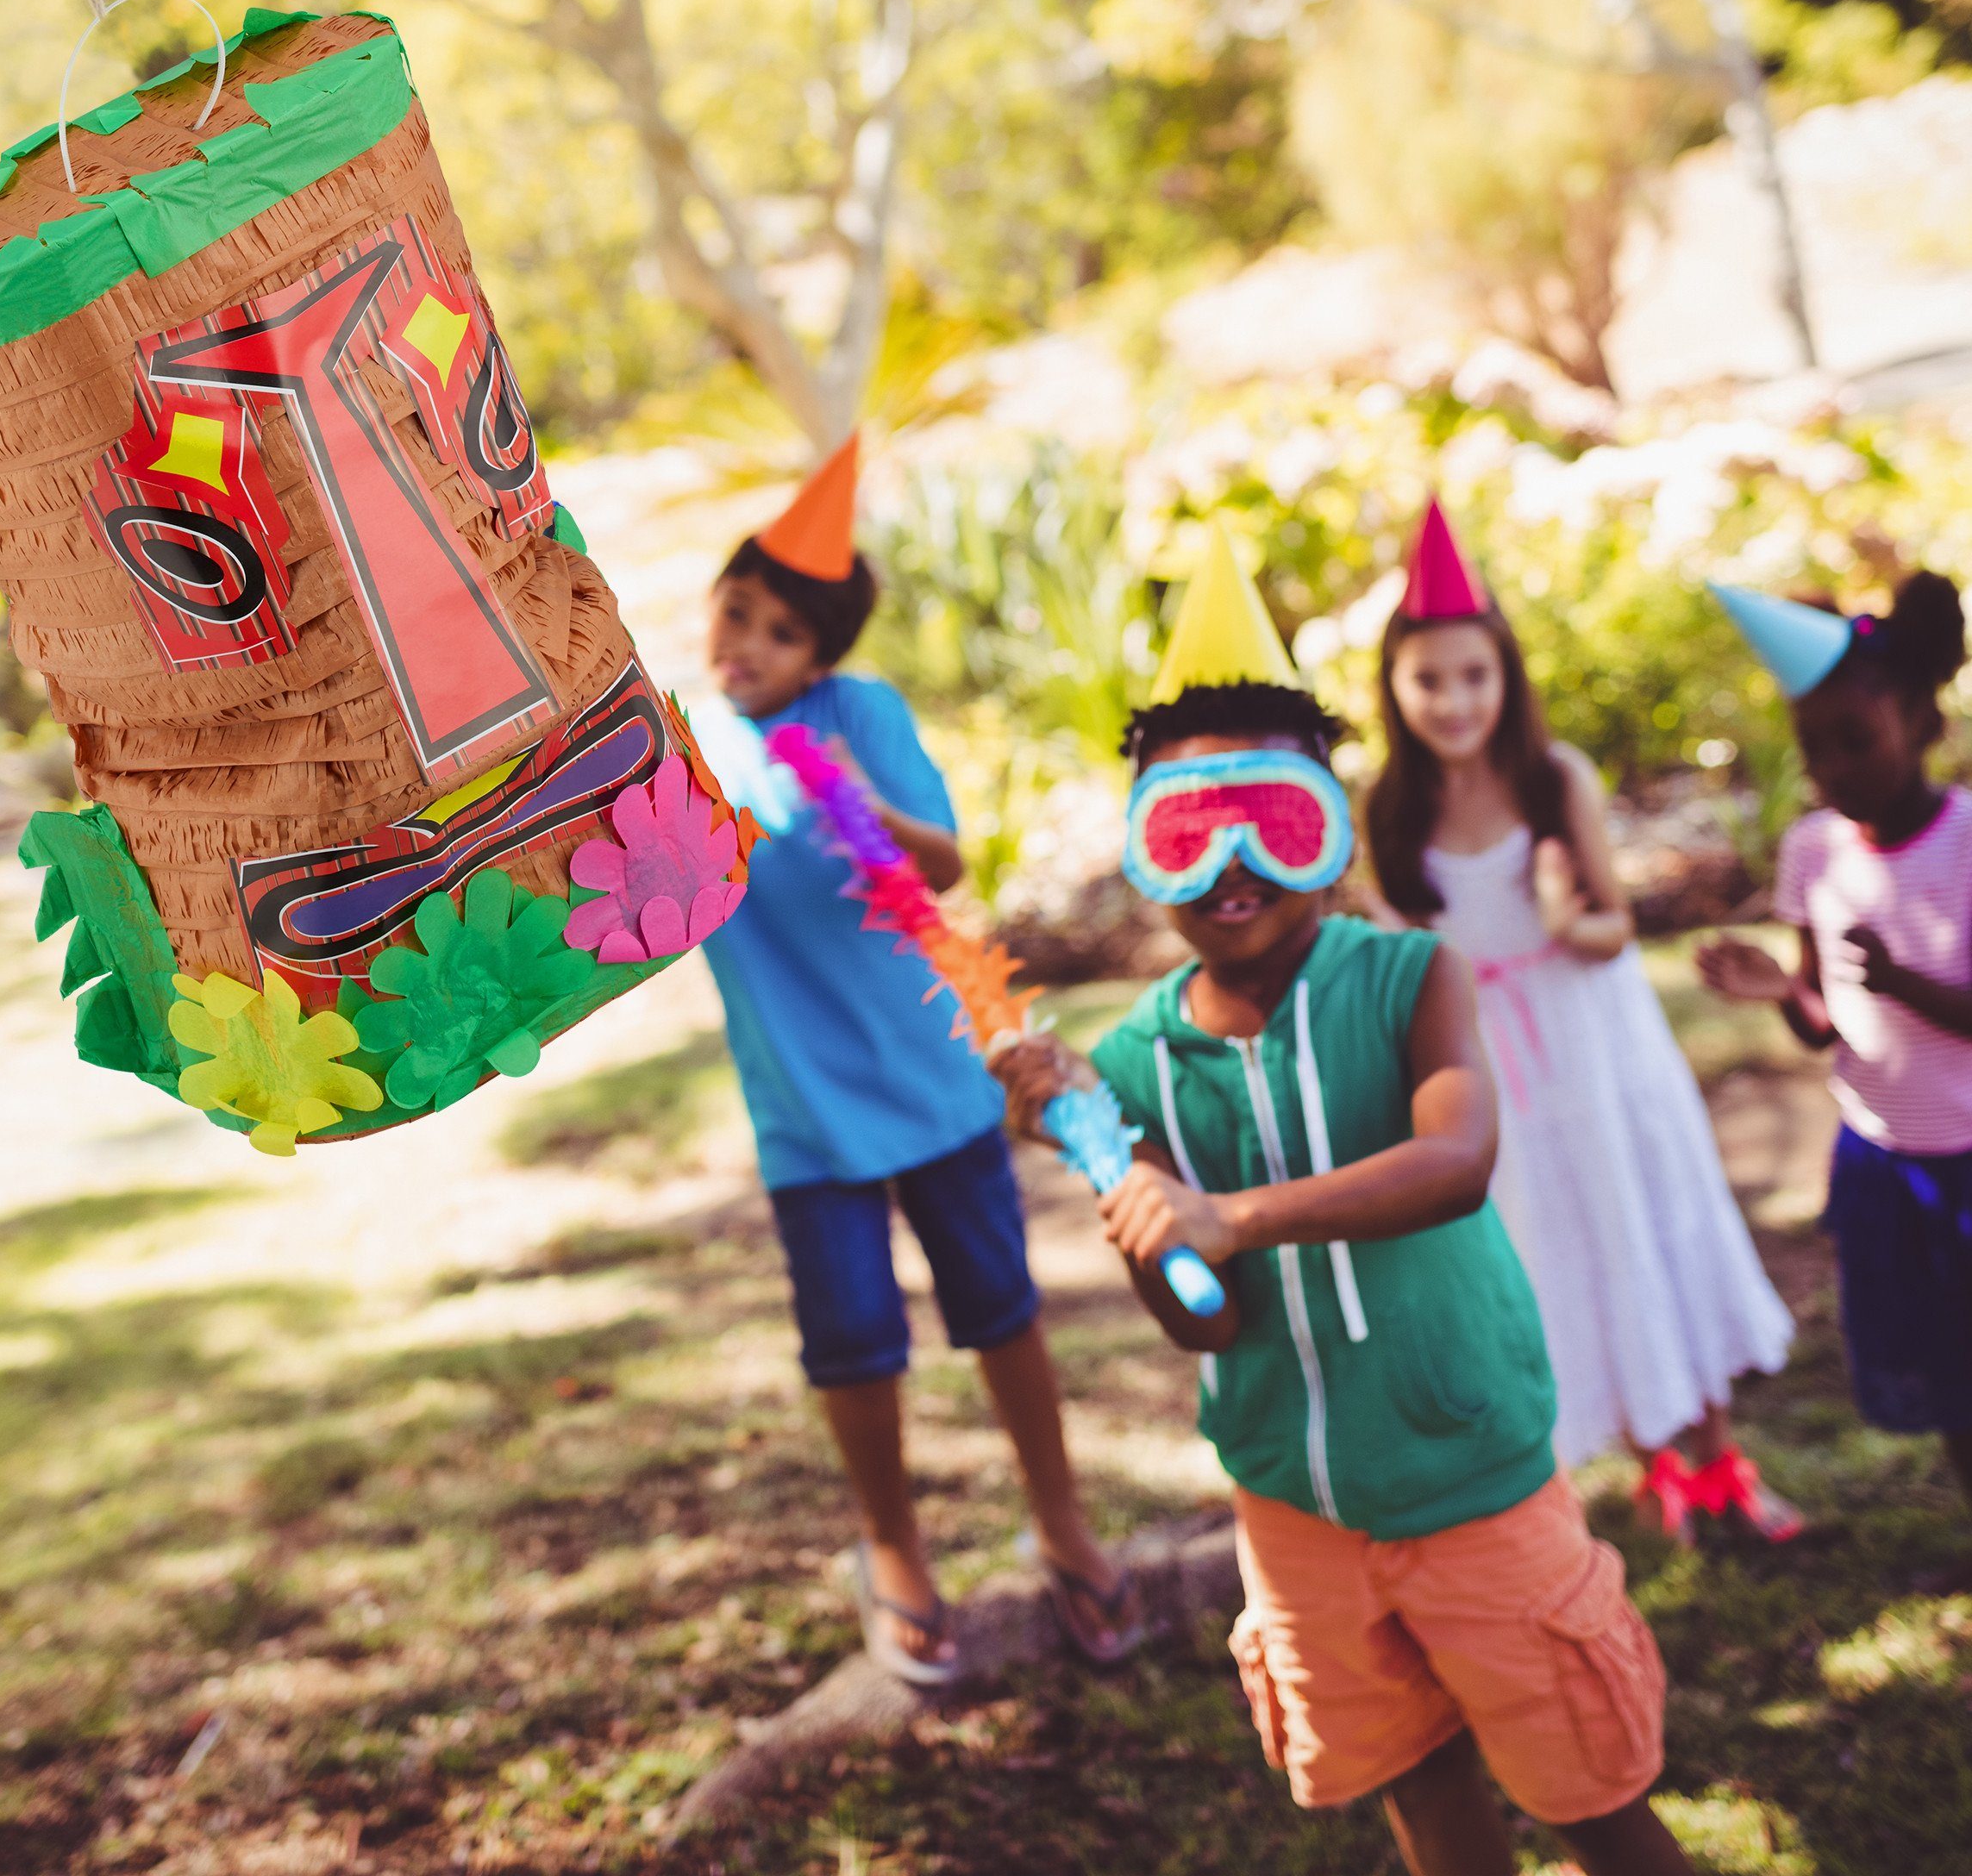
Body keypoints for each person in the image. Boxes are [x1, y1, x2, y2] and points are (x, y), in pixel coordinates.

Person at [992, 526, 1695, 1876]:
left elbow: (1459, 1160)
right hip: (1294, 1507)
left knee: (1590, 1795)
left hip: (1472, 1481)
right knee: (1420, 1792)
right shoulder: (1135, 1060)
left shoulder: (1411, 977)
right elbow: (1200, 1321)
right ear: (1144, 849)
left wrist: (1233, 1218)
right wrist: (1117, 1175)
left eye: (1277, 817)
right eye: (1188, 829)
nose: (1233, 863)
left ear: (1330, 827)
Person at [695, 436, 1138, 1684]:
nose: (751, 645)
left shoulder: (862, 714)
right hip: (805, 1104)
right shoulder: (677, 736)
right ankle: (890, 1546)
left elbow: (940, 862)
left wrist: (854, 802)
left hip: (932, 1073)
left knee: (1000, 1308)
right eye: (739, 613)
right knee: (852, 1337)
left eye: (782, 634)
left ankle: (1061, 1521)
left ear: (820, 657)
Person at [1364, 498, 1797, 1541]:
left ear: (1505, 675)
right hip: (1496, 1067)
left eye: (1474, 674)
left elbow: (1610, 927)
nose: (1454, 699)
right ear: (1393, 687)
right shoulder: (1389, 812)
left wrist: (1567, 915)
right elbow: (1404, 957)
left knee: (1641, 1218)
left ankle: (1717, 1453)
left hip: (1595, 1048)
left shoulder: (1554, 780)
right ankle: (1655, 1461)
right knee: (1562, 1236)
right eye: (1428, 679)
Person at [1699, 569, 1972, 1512]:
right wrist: (1780, 991)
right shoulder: (1813, 849)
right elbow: (1824, 1024)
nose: (1834, 770)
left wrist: (1900, 979)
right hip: (1880, 1163)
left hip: (1967, 1158)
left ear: (1922, 724)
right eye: (1815, 751)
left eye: (1855, 741)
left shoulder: (1967, 841)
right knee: (1944, 1373)